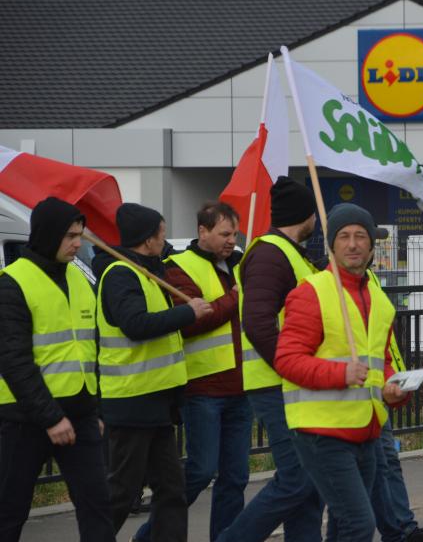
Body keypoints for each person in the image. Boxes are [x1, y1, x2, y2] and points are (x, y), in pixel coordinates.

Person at [275, 202, 408, 542]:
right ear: (331, 245)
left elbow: (380, 362)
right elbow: (287, 360)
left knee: (343, 526)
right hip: (322, 431)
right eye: (344, 236)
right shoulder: (310, 293)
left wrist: (392, 388)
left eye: (361, 236)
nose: (353, 244)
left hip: (366, 429)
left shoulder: (380, 300)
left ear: (371, 245)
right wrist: (341, 374)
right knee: (359, 525)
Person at [131, 202, 252, 542]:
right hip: (203, 388)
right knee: (199, 470)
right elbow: (194, 319)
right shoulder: (177, 267)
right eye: (224, 233)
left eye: (235, 233)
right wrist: (235, 297)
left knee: (236, 477)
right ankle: (149, 535)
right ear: (203, 231)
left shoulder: (241, 264)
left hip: (242, 386)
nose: (232, 240)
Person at [94, 203, 213, 542]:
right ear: (148, 240)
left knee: (171, 489)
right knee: (122, 490)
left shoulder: (146, 269)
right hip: (132, 400)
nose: (165, 240)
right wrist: (188, 313)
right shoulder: (120, 274)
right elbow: (135, 325)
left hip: (157, 400)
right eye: (162, 233)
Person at [0, 197, 116, 542]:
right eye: (70, 236)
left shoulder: (80, 279)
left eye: (79, 234)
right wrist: (51, 418)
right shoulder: (12, 283)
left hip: (78, 414)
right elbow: (13, 360)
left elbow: (90, 350)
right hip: (25, 417)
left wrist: (92, 409)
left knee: (97, 506)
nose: (78, 243)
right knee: (9, 511)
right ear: (49, 235)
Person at [217, 176, 324, 542]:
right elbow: (259, 323)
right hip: (278, 383)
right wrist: (294, 366)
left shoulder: (290, 253)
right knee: (298, 479)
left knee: (311, 485)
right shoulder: (269, 253)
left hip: (291, 382)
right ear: (306, 214)